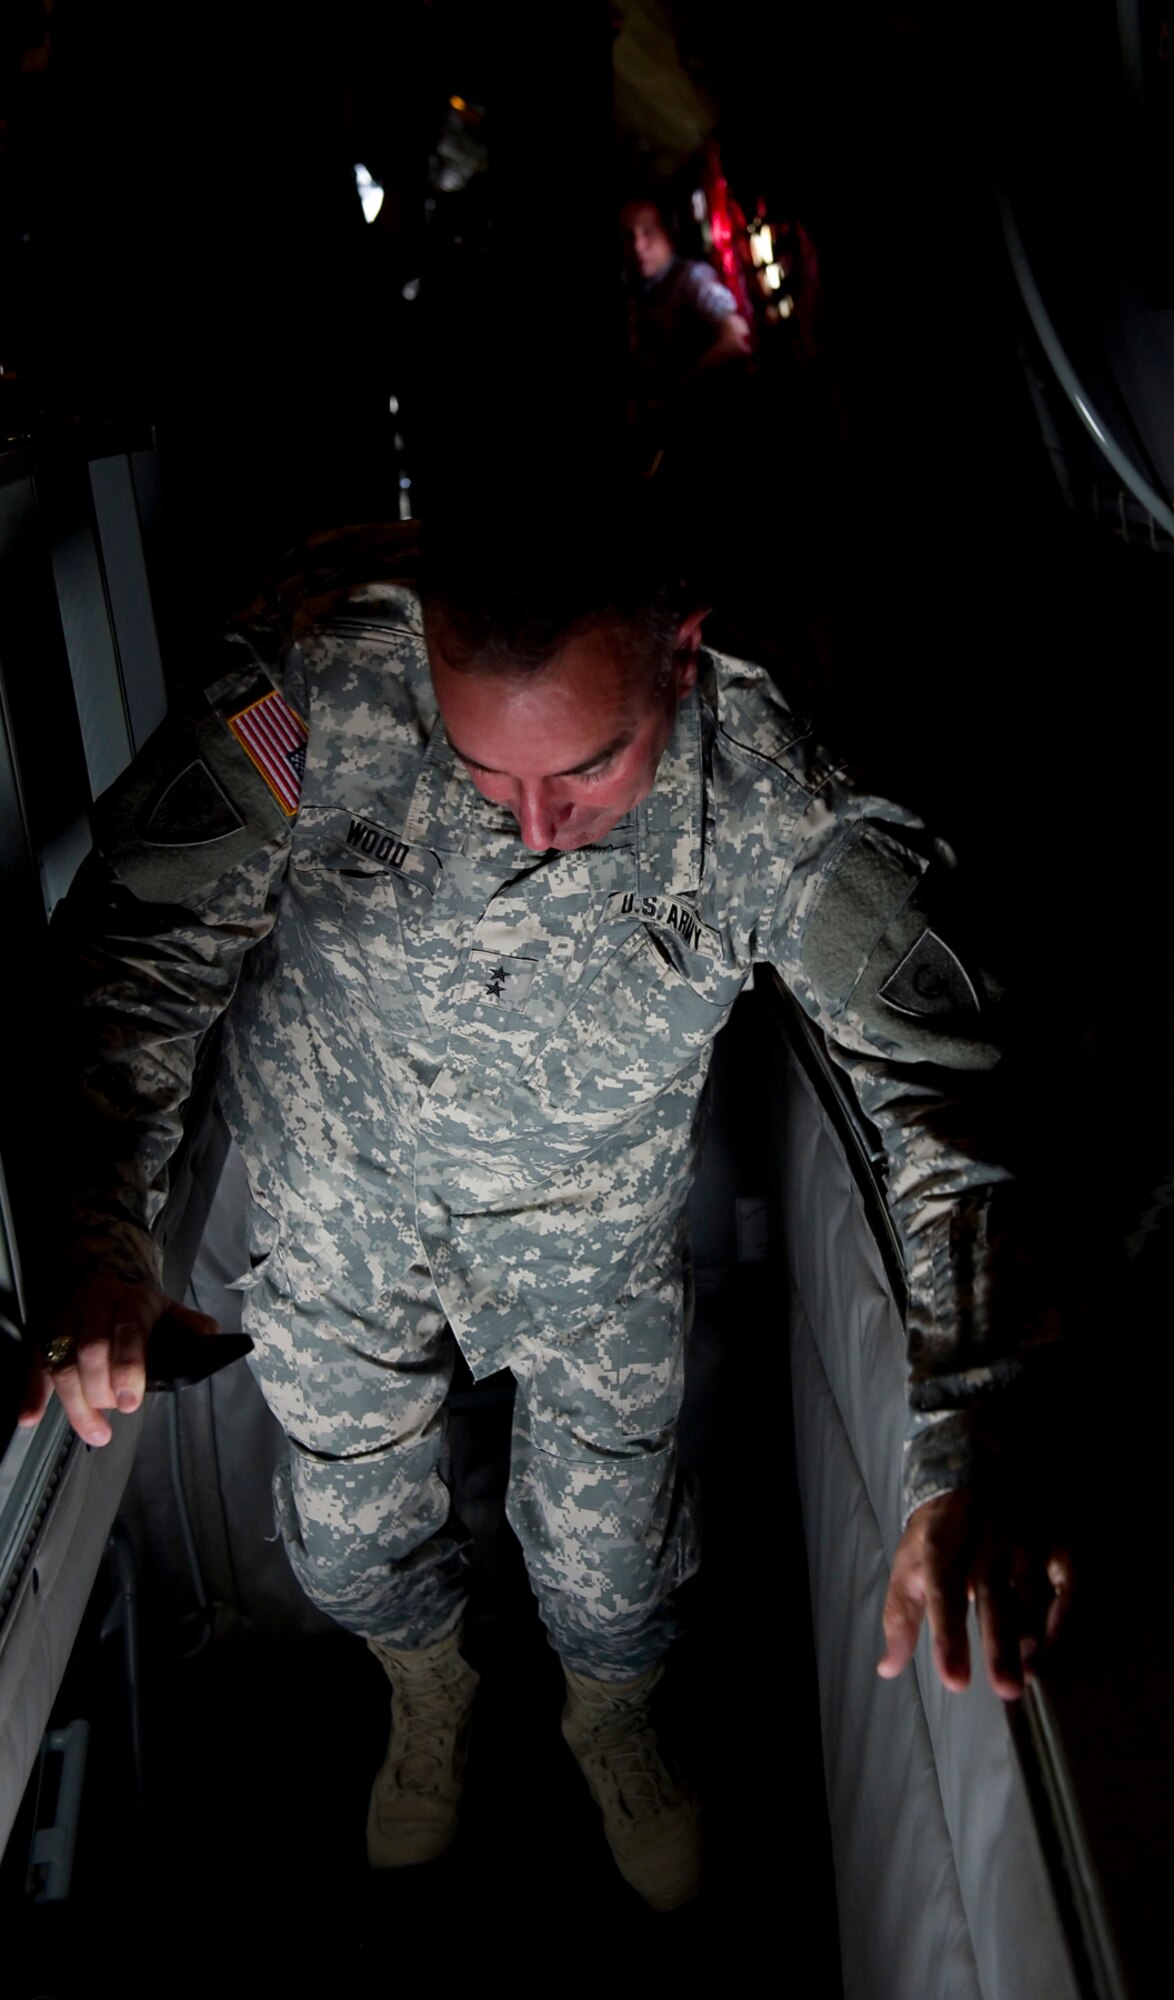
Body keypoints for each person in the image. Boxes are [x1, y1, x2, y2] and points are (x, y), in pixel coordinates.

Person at [22, 488, 1067, 1909]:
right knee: (344, 1537)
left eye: (585, 770)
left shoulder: (767, 776)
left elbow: (938, 1084)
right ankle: (425, 1691)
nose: (537, 822)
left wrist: (972, 1442)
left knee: (616, 1561)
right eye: (482, 770)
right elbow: (137, 952)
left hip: (592, 1232)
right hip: (344, 1197)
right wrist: (96, 1239)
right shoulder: (310, 690)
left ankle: (611, 1718)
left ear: (678, 652)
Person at [621, 197, 751, 432]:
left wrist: (676, 395)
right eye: (629, 237)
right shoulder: (638, 300)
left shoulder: (691, 278)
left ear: (666, 232)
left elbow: (737, 338)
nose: (638, 246)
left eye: (648, 232)